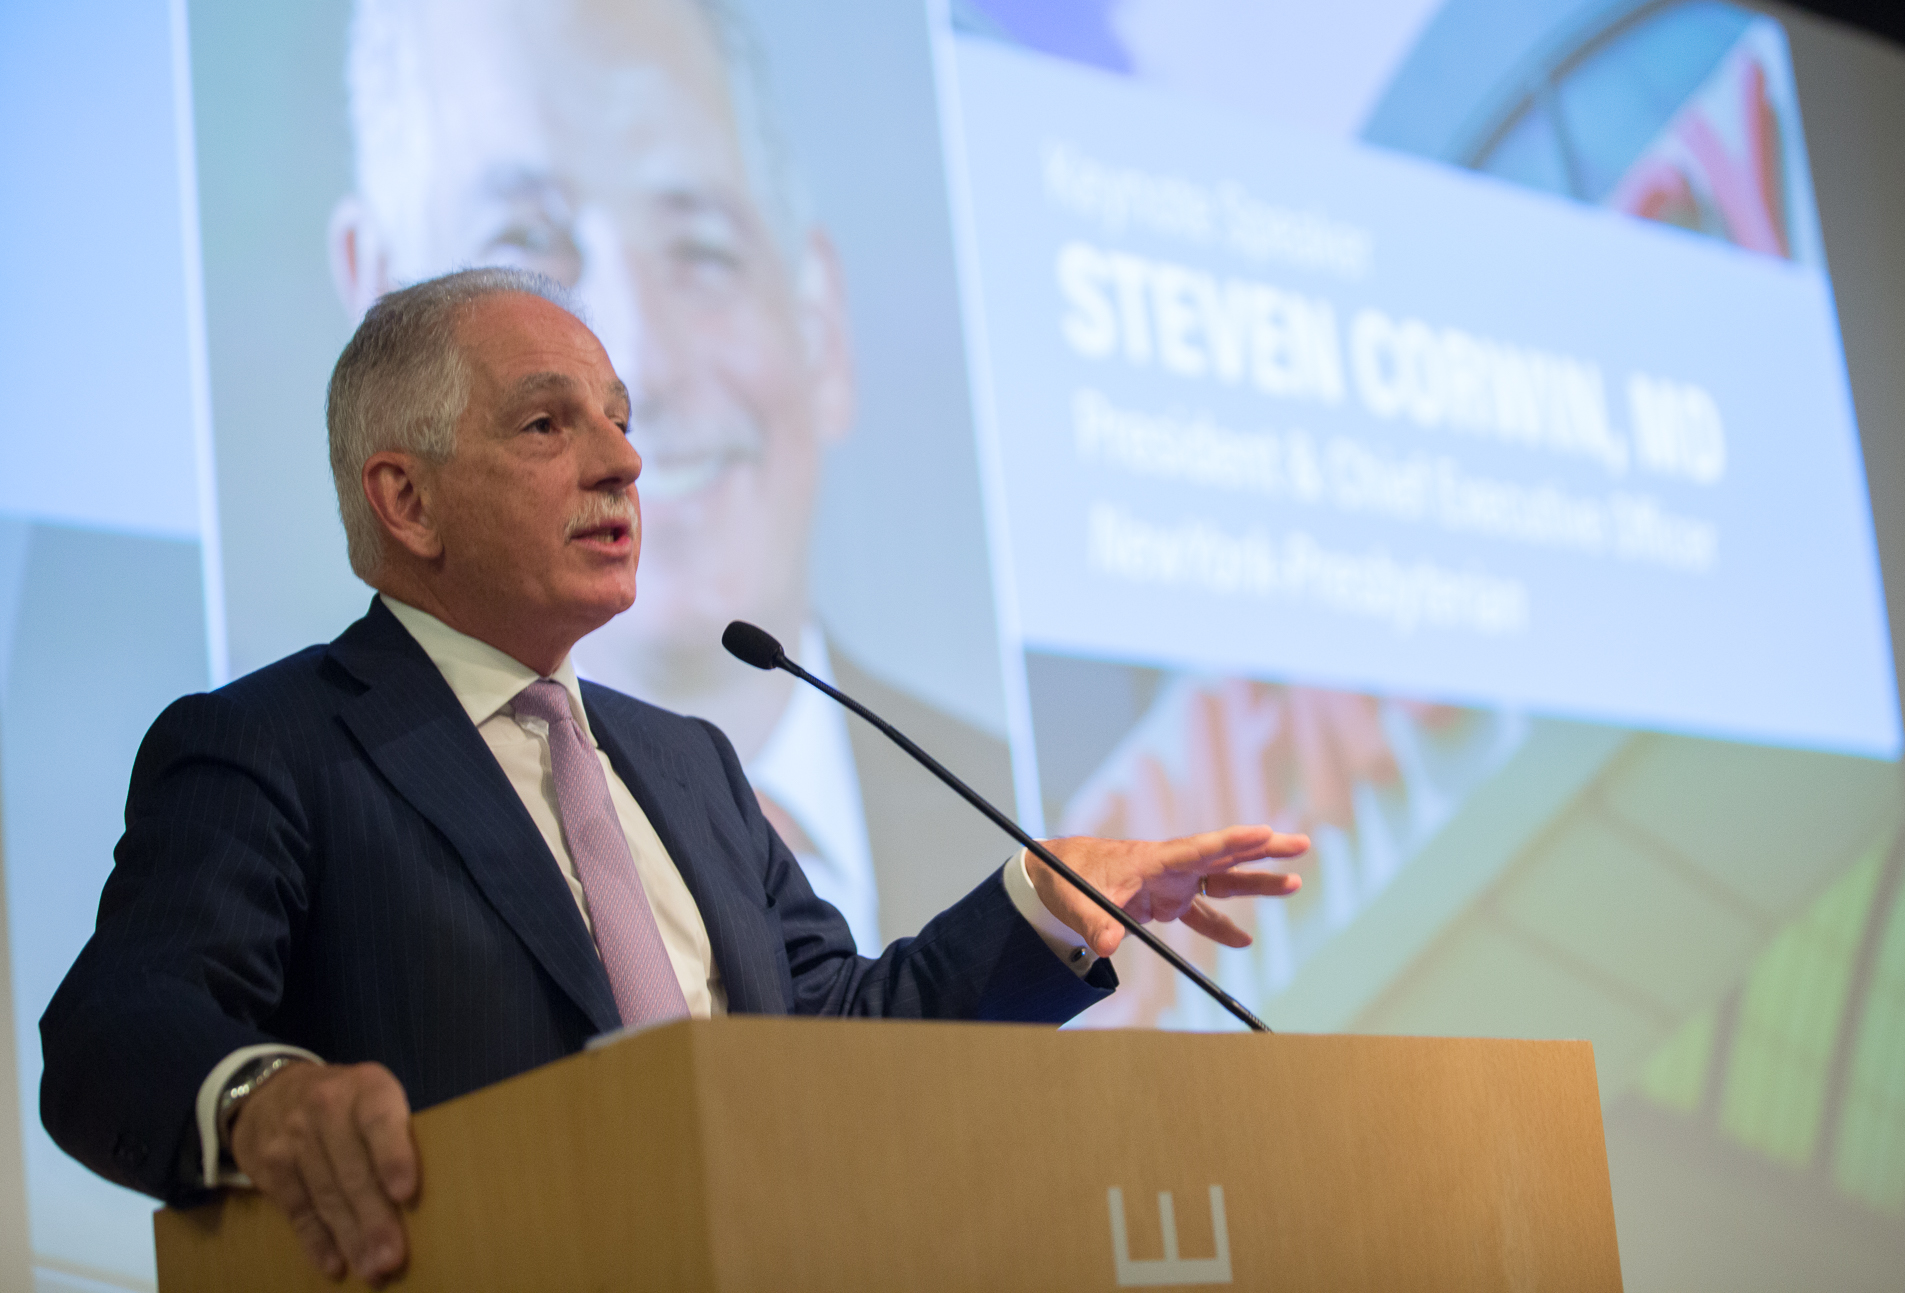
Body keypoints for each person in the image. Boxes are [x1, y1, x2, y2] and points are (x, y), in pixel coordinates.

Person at [40, 269, 1307, 1286]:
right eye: (548, 424)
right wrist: (260, 1099)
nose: (624, 463)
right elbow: (116, 1025)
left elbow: (828, 1045)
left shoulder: (684, 761)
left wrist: (1039, 906)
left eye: (621, 419)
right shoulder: (273, 744)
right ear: (406, 501)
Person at [328, 0, 1005, 954]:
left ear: (818, 323)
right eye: (527, 247)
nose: (639, 366)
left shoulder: (1002, 808)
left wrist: (1036, 918)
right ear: (378, 302)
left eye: (700, 248)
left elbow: (851, 1013)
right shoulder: (293, 771)